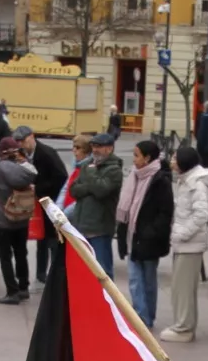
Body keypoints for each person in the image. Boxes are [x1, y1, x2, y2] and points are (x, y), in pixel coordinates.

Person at [117, 139, 173, 326]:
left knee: (148, 280)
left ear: (147, 158)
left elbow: (165, 212)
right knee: (134, 279)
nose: (133, 159)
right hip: (132, 234)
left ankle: (147, 317)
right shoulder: (134, 175)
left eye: (136, 155)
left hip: (149, 239)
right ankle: (139, 317)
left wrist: (152, 232)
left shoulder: (160, 179)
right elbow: (127, 204)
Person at [161, 146, 208, 343]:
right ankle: (183, 324)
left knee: (183, 289)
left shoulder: (196, 184)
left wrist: (182, 233)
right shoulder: (187, 181)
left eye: (175, 158)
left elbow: (201, 214)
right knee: (181, 288)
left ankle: (183, 327)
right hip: (184, 243)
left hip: (190, 244)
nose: (172, 162)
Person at [0, 137, 38, 304]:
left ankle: (12, 291)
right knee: (21, 252)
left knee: (5, 256)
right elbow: (33, 175)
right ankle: (24, 287)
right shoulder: (25, 169)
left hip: (3, 218)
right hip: (21, 217)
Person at [69, 132, 123, 275]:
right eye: (93, 146)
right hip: (82, 227)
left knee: (102, 271)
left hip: (100, 229)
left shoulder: (114, 169)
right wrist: (90, 187)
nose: (94, 150)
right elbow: (74, 190)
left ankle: (108, 298)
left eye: (99, 146)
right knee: (84, 272)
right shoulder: (87, 165)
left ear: (109, 148)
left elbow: (101, 191)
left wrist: (91, 178)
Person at [17, 125, 65, 283]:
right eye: (19, 141)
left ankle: (54, 273)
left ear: (32, 136)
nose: (21, 144)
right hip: (35, 201)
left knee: (51, 239)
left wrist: (39, 188)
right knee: (40, 238)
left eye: (23, 140)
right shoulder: (24, 154)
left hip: (50, 202)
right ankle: (40, 273)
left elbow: (61, 176)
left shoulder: (46, 153)